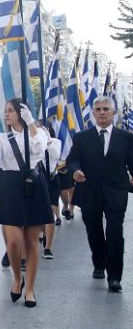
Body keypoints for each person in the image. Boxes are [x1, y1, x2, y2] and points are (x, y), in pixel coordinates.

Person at [0, 99, 52, 307]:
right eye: (6, 111)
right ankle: (17, 278)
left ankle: (29, 289)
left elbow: (40, 149)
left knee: (31, 241)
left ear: (22, 112)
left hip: (33, 185)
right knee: (13, 241)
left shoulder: (37, 134)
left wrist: (31, 124)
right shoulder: (2, 138)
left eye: (11, 110)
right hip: (11, 186)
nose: (7, 114)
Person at [67, 95, 133, 293]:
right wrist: (75, 171)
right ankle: (99, 263)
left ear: (113, 113)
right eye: (99, 109)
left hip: (116, 192)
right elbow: (72, 160)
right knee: (94, 230)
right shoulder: (81, 138)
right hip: (89, 191)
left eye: (106, 109)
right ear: (93, 114)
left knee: (115, 232)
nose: (102, 112)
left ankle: (114, 277)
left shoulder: (126, 138)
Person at [40, 124, 62, 259]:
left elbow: (55, 155)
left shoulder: (56, 142)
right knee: (39, 214)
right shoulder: (34, 143)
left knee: (50, 213)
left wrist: (48, 139)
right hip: (39, 180)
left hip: (53, 179)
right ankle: (43, 232)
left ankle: (48, 247)